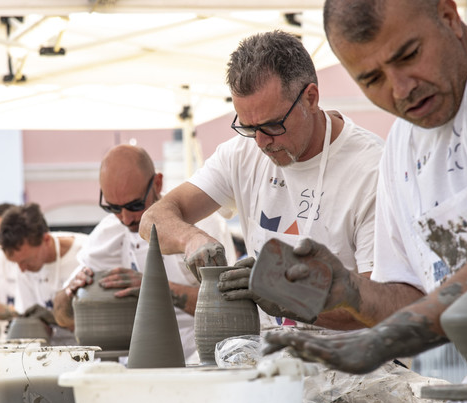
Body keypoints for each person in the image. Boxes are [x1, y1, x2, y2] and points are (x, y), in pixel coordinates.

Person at [261, 0, 467, 403]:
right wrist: (348, 291)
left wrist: (385, 339)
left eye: (408, 55)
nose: (400, 90)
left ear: (447, 14)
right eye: (372, 79)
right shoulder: (401, 147)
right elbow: (414, 299)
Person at [139, 30, 384, 330]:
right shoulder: (240, 154)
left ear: (311, 98)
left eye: (272, 125)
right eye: (247, 126)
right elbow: (152, 219)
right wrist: (191, 239)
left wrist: (288, 298)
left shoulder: (372, 170)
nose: (260, 142)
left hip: (356, 365)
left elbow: (378, 307)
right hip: (269, 358)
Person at [53, 144, 236, 363]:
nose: (126, 218)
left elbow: (230, 307)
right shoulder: (109, 232)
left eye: (135, 205)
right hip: (134, 362)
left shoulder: (200, 225)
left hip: (199, 359)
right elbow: (61, 316)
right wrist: (70, 295)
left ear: (157, 183)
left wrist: (156, 288)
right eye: (113, 207)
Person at [0, 203, 87, 316]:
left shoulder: (86, 254)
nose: (22, 269)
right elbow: (28, 316)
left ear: (46, 239)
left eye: (26, 261)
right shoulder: (23, 265)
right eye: (17, 263)